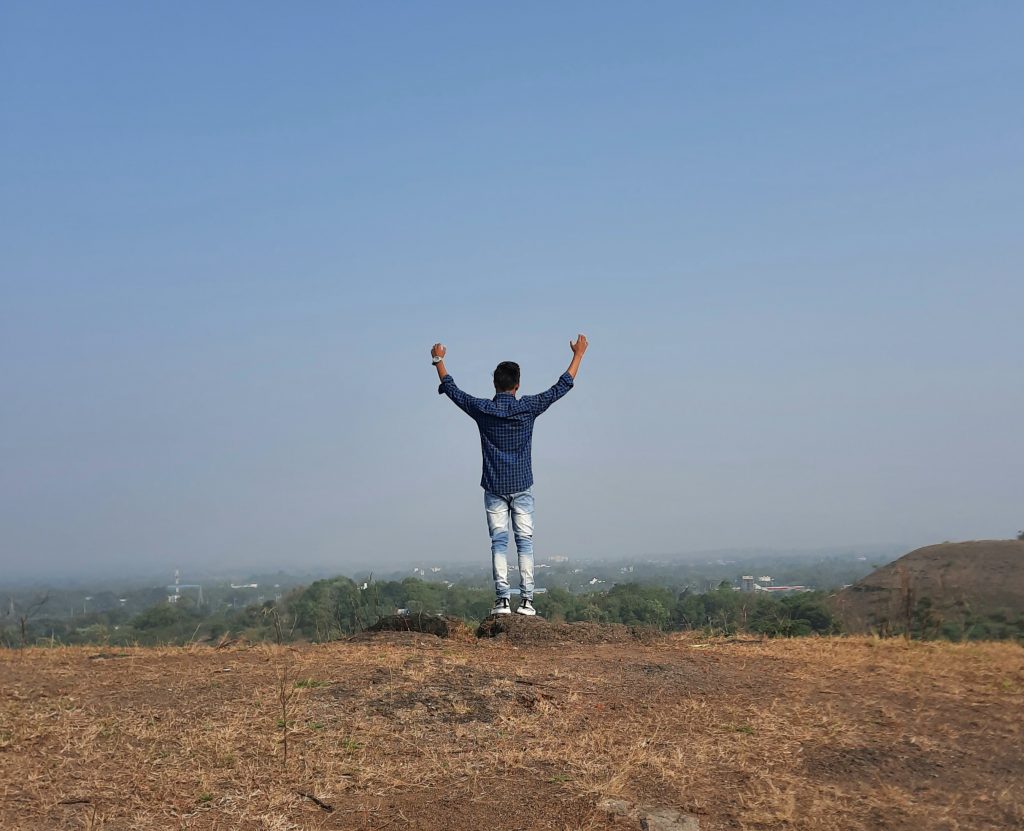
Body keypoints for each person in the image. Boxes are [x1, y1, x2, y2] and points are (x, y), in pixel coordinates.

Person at [431, 335, 589, 616]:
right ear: (517, 385)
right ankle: (527, 600)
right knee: (525, 542)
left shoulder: (483, 409)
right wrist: (578, 355)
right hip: (522, 485)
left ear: (495, 384)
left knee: (499, 543)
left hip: (494, 487)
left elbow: (453, 390)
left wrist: (438, 360)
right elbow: (561, 386)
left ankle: (503, 599)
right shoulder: (527, 407)